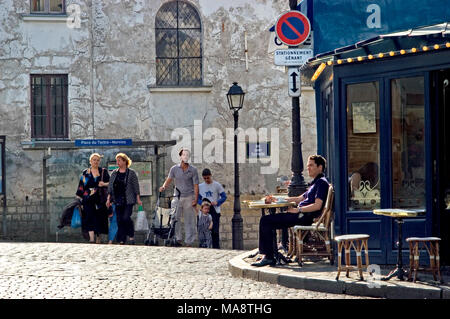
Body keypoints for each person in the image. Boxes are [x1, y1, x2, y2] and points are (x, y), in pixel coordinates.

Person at [251, 155, 330, 267]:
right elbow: (299, 198)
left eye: (311, 165)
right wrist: (277, 199)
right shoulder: (315, 183)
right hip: (301, 215)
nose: (308, 168)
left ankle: (268, 256)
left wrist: (298, 210)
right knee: (268, 221)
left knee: (266, 221)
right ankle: (270, 254)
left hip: (304, 217)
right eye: (308, 166)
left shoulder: (321, 182)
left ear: (320, 167)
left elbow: (317, 206)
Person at [159, 148, 199, 247]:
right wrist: (164, 186)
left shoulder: (193, 170)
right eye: (184, 155)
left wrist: (196, 199)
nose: (185, 157)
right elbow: (169, 179)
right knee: (174, 218)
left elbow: (196, 185)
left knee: (189, 219)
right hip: (177, 196)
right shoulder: (174, 169)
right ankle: (178, 238)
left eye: (187, 155)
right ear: (180, 156)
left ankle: (189, 241)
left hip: (189, 197)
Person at [106, 153, 142, 245]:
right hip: (117, 200)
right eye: (117, 160)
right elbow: (110, 187)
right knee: (119, 219)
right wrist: (108, 199)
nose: (117, 162)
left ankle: (131, 235)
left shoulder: (131, 173)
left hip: (128, 200)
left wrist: (138, 198)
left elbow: (136, 186)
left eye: (119, 160)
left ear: (125, 161)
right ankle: (121, 239)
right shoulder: (114, 173)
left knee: (126, 218)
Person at [76, 153, 110, 243]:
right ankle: (91, 239)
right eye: (94, 160)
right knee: (89, 217)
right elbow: (81, 186)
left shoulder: (103, 171)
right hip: (88, 199)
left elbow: (110, 183)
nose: (96, 162)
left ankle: (98, 236)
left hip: (100, 199)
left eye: (97, 160)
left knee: (100, 218)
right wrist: (78, 198)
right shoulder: (86, 172)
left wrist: (104, 184)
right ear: (90, 161)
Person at [197, 168, 227, 249]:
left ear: (210, 176)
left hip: (215, 210)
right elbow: (197, 198)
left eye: (208, 178)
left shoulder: (217, 185)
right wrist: (202, 204)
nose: (206, 180)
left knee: (215, 231)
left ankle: (216, 248)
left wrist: (217, 202)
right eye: (205, 178)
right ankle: (203, 247)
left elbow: (224, 197)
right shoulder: (200, 186)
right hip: (204, 211)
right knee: (202, 229)